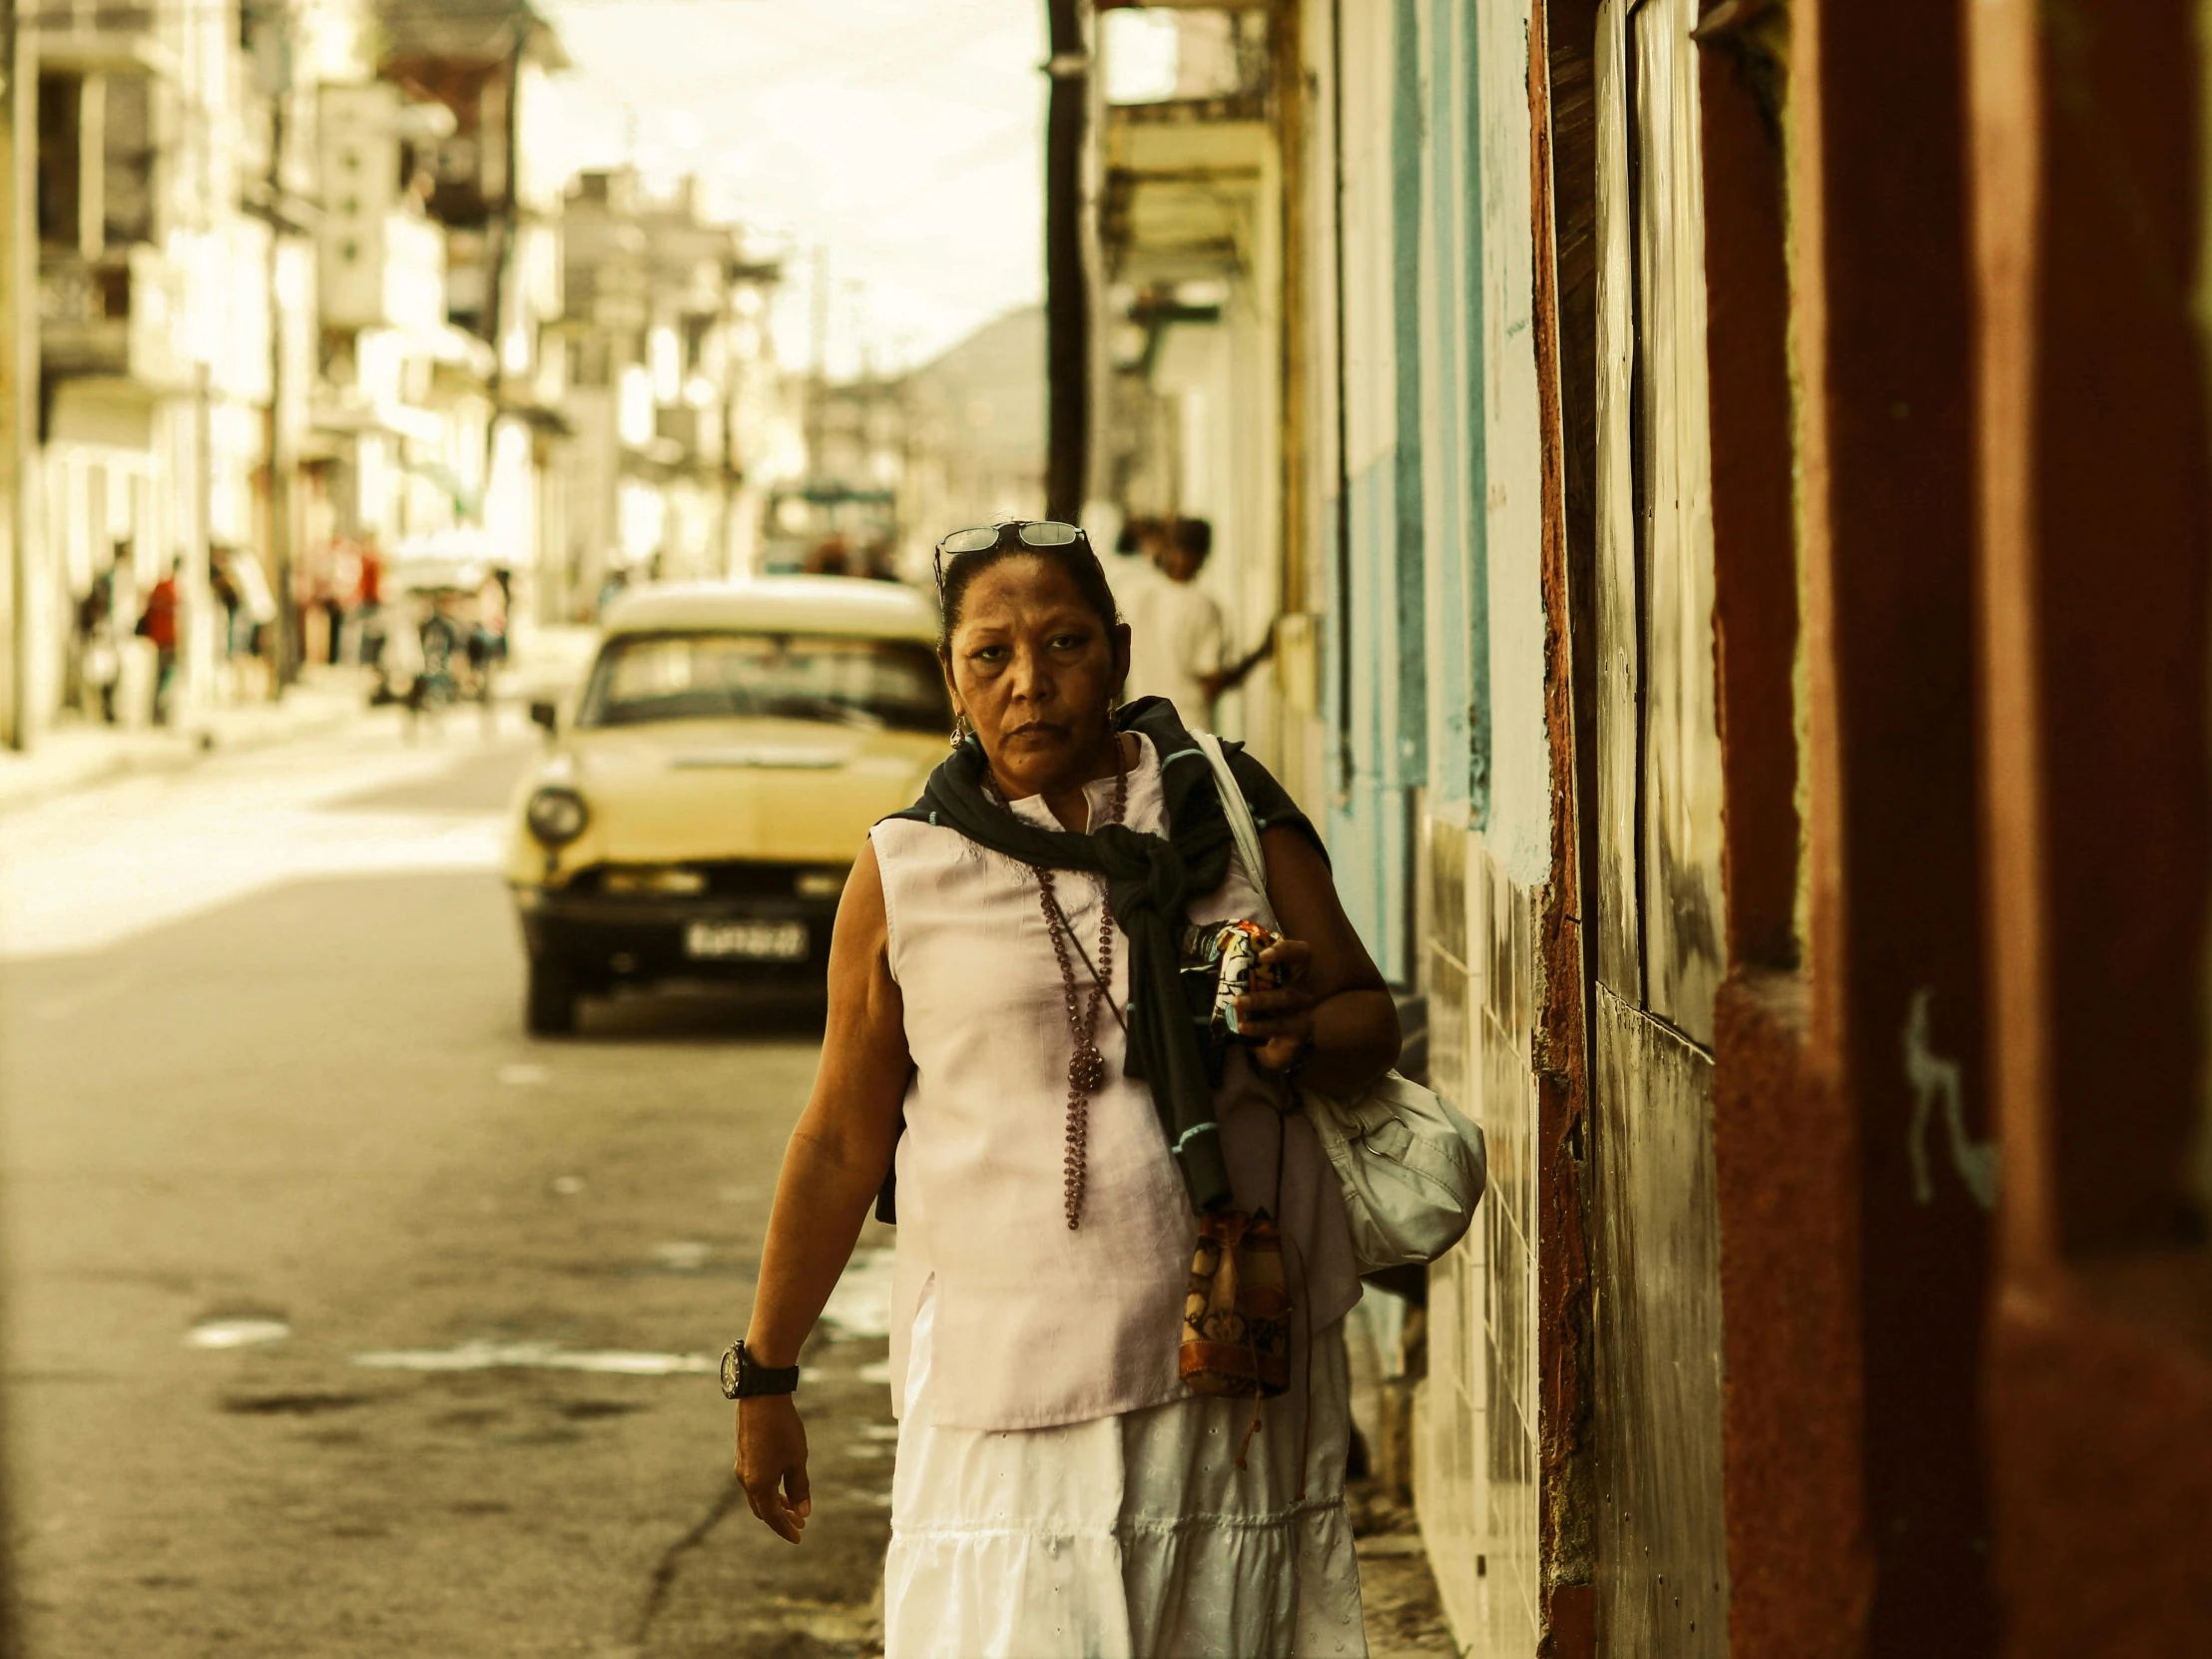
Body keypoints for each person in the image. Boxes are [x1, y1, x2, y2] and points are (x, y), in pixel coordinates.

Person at [735, 518, 1399, 1657]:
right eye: (989, 655)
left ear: (1121, 653)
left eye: (1064, 643)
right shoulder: (906, 868)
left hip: (1222, 1370)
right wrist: (763, 1376)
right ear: (951, 679)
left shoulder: (1224, 813)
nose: (1028, 683)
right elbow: (842, 1140)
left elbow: (1365, 1021)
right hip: (1006, 1384)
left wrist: (1296, 1031)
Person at [1124, 517, 1266, 732]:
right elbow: (1212, 684)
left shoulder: (1137, 595)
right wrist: (1260, 654)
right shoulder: (1203, 607)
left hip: (1141, 730)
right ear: (1202, 556)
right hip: (1188, 733)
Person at [137, 561, 181, 726]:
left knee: (161, 679)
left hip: (161, 640)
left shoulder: (160, 589)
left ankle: (158, 714)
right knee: (165, 680)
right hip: (167, 642)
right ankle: (159, 714)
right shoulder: (169, 590)